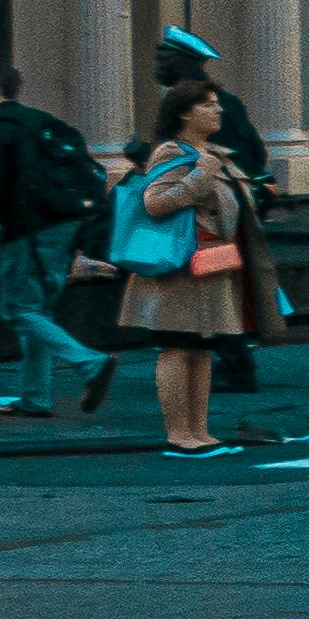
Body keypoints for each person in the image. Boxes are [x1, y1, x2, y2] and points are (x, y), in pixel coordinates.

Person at [0, 63, 118, 423]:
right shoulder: (38, 121)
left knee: (19, 310)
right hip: (64, 225)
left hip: (30, 228)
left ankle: (92, 364)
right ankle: (36, 397)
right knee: (38, 311)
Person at [115, 78, 256, 457]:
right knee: (178, 346)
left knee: (202, 347)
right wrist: (202, 174)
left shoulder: (213, 153)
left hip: (211, 264)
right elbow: (156, 202)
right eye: (208, 104)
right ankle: (179, 431)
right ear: (184, 112)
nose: (218, 110)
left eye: (216, 103)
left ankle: (200, 429)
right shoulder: (172, 153)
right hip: (178, 267)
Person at [153, 25, 273, 393]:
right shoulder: (211, 100)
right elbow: (254, 153)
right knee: (209, 281)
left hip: (212, 213)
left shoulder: (195, 104)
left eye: (163, 57)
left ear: (183, 61)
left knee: (211, 280)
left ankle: (233, 363)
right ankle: (223, 358)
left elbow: (215, 156)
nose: (157, 63)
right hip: (218, 208)